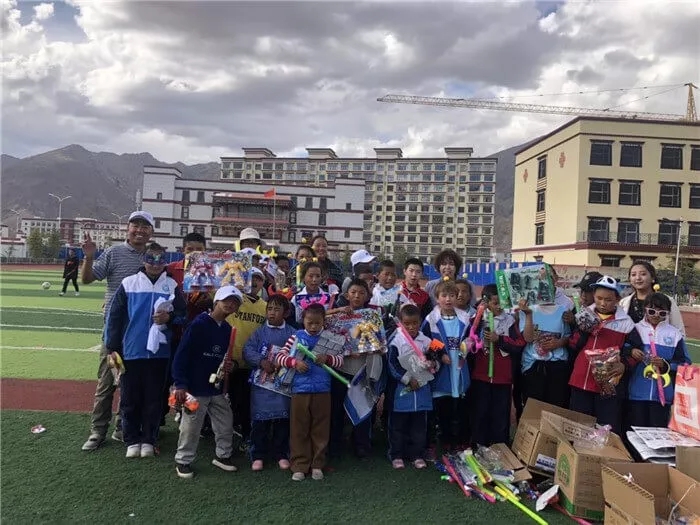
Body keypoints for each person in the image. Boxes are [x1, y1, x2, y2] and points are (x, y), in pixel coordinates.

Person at [81, 210, 155, 451]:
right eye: (136, 225)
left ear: (151, 232)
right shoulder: (114, 253)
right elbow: (88, 279)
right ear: (128, 228)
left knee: (131, 384)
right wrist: (89, 257)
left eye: (145, 226)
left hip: (140, 333)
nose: (140, 230)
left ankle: (122, 427)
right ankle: (97, 431)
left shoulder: (153, 257)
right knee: (106, 383)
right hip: (114, 332)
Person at [104, 242, 186, 458]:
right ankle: (132, 439)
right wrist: (112, 347)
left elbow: (183, 314)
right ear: (143, 260)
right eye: (151, 259)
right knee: (130, 398)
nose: (155, 264)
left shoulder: (171, 285)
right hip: (131, 350)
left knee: (154, 398)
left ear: (165, 262)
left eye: (160, 260)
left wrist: (169, 318)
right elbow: (114, 317)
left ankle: (149, 439)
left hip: (160, 353)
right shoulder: (129, 283)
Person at [172, 285, 243, 478]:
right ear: (216, 301)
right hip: (195, 387)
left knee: (225, 422)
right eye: (226, 300)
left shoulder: (227, 329)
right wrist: (180, 384)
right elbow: (182, 355)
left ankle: (223, 455)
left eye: (234, 303)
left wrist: (231, 366)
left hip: (215, 388)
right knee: (191, 426)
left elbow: (224, 358)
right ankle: (183, 460)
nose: (230, 305)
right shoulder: (199, 324)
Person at [275, 303, 345, 481]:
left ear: (323, 322)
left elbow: (341, 361)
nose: (313, 327)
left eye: (317, 323)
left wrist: (328, 358)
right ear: (303, 321)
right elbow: (280, 357)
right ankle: (299, 465)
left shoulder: (330, 339)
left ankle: (317, 464)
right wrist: (295, 363)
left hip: (323, 390)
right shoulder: (296, 337)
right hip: (299, 390)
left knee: (320, 428)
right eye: (309, 323)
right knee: (299, 428)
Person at [568, 276, 636, 434]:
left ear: (617, 299)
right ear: (594, 295)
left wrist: (624, 365)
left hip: (607, 385)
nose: (603, 303)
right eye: (599, 298)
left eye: (608, 300)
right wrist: (583, 331)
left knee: (605, 430)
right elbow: (573, 345)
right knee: (578, 428)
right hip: (581, 381)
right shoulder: (584, 315)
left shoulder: (626, 323)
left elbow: (635, 352)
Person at [243, 294, 296, 471]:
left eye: (277, 309)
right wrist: (261, 361)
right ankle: (258, 454)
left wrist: (286, 362)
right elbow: (247, 350)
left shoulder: (292, 333)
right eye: (270, 309)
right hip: (261, 385)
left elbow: (298, 353)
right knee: (260, 422)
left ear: (286, 313)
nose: (272, 313)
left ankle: (281, 454)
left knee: (282, 420)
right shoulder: (259, 332)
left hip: (283, 385)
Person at [470, 285, 527, 447]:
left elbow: (519, 344)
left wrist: (499, 340)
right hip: (481, 374)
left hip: (502, 376)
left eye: (502, 302)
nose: (499, 306)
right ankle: (478, 445)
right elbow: (469, 338)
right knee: (480, 412)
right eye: (495, 303)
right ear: (486, 302)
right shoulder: (477, 318)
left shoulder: (509, 320)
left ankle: (500, 446)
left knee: (500, 413)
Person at [164, 232, 212, 425]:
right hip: (174, 333)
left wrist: (209, 299)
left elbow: (217, 301)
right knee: (171, 375)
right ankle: (167, 412)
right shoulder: (170, 270)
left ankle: (190, 415)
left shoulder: (212, 272)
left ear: (205, 251)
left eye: (199, 250)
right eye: (190, 249)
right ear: (183, 250)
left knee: (195, 376)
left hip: (199, 334)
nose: (194, 253)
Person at [626, 293, 691, 428]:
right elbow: (622, 349)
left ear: (667, 313)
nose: (656, 316)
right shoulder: (635, 329)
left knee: (658, 433)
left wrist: (666, 364)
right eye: (651, 311)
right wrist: (631, 351)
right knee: (635, 432)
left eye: (662, 313)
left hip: (663, 396)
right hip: (637, 393)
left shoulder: (674, 334)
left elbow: (685, 362)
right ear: (645, 309)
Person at [422, 279, 471, 452]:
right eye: (444, 295)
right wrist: (440, 354)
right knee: (441, 407)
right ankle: (440, 440)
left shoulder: (465, 319)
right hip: (441, 370)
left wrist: (466, 347)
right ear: (437, 298)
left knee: (458, 407)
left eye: (452, 295)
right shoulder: (431, 319)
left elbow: (471, 338)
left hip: (459, 367)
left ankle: (457, 440)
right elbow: (425, 341)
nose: (448, 299)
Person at [386, 304, 435, 469]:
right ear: (400, 323)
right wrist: (407, 379)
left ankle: (417, 454)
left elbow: (437, 355)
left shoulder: (426, 340)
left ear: (420, 321)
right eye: (407, 324)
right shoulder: (396, 341)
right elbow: (392, 365)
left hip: (422, 392)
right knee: (398, 426)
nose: (411, 327)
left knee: (419, 426)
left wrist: (433, 363)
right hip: (401, 393)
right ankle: (396, 454)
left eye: (415, 323)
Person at [226, 267, 267, 444]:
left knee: (246, 400)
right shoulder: (235, 299)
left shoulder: (265, 306)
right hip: (231, 359)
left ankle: (245, 432)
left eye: (258, 279)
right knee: (228, 398)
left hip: (252, 362)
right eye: (251, 277)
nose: (254, 282)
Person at [519, 291, 571, 409]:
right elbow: (528, 338)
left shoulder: (563, 311)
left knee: (554, 408)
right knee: (533, 410)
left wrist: (558, 343)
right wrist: (528, 314)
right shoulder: (527, 310)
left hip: (557, 365)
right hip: (533, 366)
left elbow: (568, 336)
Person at [619, 261, 685, 336]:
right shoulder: (623, 303)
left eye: (643, 274)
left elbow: (679, 332)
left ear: (652, 278)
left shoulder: (667, 301)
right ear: (630, 279)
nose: (638, 278)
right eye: (633, 275)